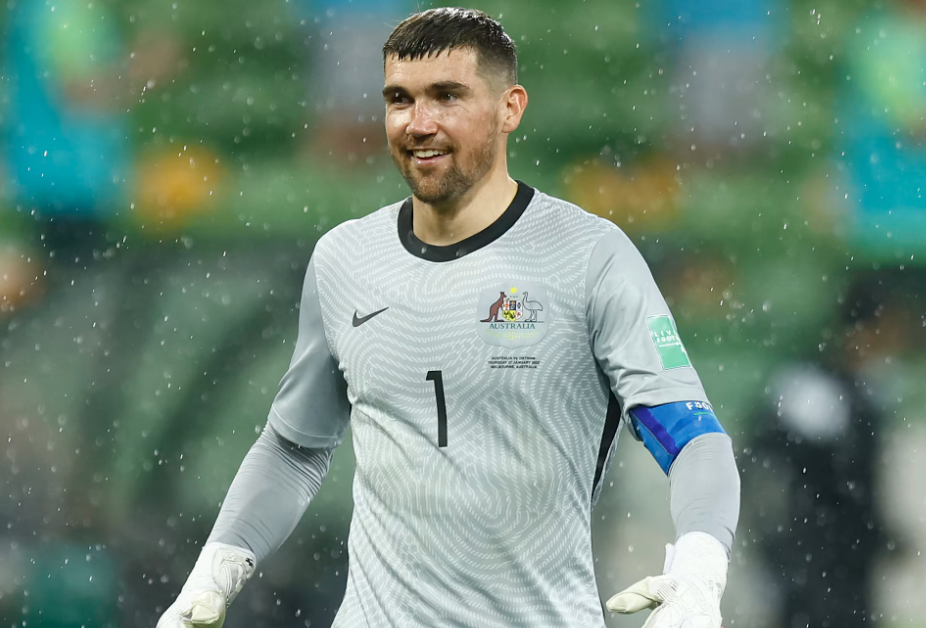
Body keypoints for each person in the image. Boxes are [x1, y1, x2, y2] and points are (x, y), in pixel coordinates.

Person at [156, 8, 740, 628]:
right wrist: (219, 565)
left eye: (447, 96)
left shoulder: (592, 256)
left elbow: (692, 436)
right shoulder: (343, 258)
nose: (418, 123)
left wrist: (701, 566)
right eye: (399, 99)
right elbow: (294, 448)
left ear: (510, 108)